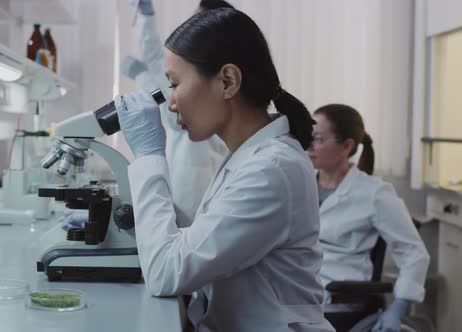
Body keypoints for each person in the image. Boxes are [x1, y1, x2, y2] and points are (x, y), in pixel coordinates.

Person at [115, 8, 334, 331]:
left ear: (228, 81)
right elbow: (206, 238)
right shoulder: (250, 157)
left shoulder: (273, 168)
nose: (171, 103)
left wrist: (149, 155)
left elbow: (165, 273)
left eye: (174, 84)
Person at [308, 104, 430, 332]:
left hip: (339, 300)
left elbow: (414, 253)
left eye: (318, 139)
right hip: (298, 292)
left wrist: (399, 306)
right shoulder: (300, 185)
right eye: (308, 136)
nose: (309, 146)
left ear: (346, 146)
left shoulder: (374, 193)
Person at [121, 0, 233, 227]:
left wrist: (142, 77)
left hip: (194, 176)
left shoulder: (210, 74)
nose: (189, 27)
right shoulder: (195, 65)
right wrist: (146, 16)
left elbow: (176, 117)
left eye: (196, 21)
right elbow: (158, 61)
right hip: (184, 166)